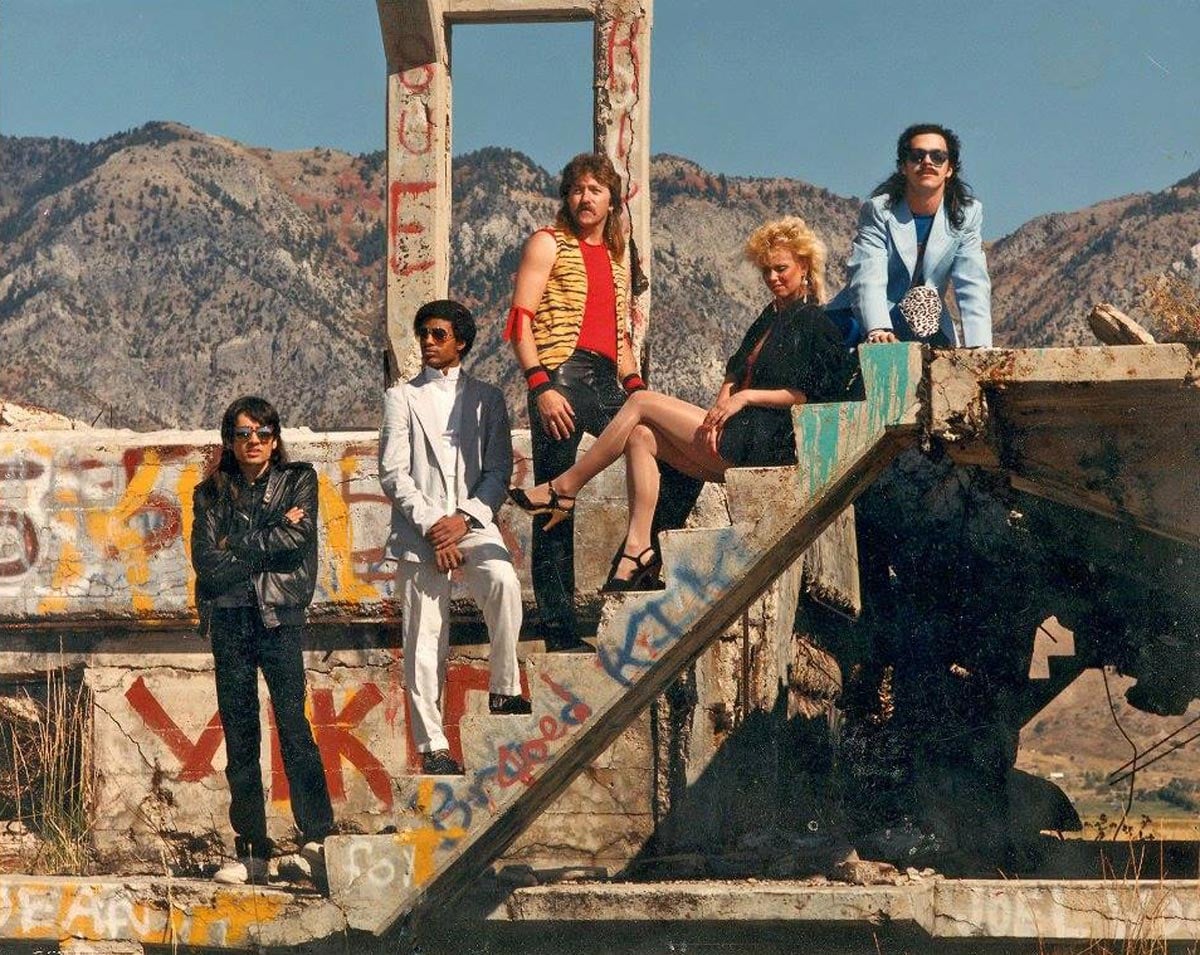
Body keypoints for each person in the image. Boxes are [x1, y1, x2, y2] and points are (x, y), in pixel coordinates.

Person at [509, 217, 855, 586]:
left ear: (804, 266)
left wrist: (745, 399)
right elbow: (735, 371)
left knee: (640, 400)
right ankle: (638, 549)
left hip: (767, 443)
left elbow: (809, 394)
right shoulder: (769, 317)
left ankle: (564, 488)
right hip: (736, 432)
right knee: (641, 435)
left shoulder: (816, 322)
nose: (772, 277)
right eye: (766, 270)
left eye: (781, 268)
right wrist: (721, 408)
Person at [505, 152, 650, 647]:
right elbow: (519, 321)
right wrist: (540, 385)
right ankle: (557, 627)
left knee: (652, 440)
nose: (585, 198)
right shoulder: (548, 243)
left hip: (608, 378)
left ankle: (636, 556)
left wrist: (636, 390)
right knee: (554, 507)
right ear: (567, 198)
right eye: (576, 190)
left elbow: (623, 338)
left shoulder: (616, 257)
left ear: (612, 199)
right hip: (560, 377)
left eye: (595, 189)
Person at [380, 299, 529, 778]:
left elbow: (499, 470)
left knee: (503, 583)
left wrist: (463, 520)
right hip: (422, 531)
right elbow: (392, 471)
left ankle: (504, 687)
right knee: (424, 636)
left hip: (473, 523)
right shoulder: (401, 397)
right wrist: (433, 527)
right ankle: (433, 746)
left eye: (438, 334)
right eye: (423, 332)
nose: (427, 341)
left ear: (461, 342)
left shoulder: (488, 397)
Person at [191, 395, 334, 886]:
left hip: (279, 617)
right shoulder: (210, 493)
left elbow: (298, 541)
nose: (254, 441)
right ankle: (251, 850)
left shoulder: (299, 481)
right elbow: (206, 562)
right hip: (229, 619)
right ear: (229, 441)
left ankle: (316, 840)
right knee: (241, 736)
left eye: (263, 432)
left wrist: (237, 543)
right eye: (243, 433)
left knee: (294, 727)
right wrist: (269, 535)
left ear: (276, 438)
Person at [826, 123, 992, 348]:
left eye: (938, 156)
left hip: (922, 319)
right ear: (903, 166)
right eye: (917, 156)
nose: (927, 162)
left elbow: (972, 282)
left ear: (949, 168)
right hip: (862, 318)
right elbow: (868, 272)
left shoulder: (967, 215)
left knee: (926, 301)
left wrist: (980, 348)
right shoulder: (879, 211)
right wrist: (878, 328)